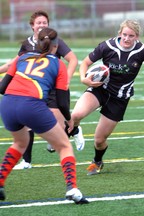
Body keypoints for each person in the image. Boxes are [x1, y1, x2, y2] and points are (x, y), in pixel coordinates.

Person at [71, 19, 144, 175]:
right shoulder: (107, 46)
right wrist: (83, 78)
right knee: (75, 114)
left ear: (137, 37)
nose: (127, 38)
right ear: (119, 33)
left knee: (99, 140)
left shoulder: (143, 51)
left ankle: (97, 161)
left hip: (119, 98)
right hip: (100, 89)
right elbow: (85, 63)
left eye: (131, 35)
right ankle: (74, 129)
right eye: (124, 35)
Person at [0, 28, 88, 204]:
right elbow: (62, 102)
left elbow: (2, 88)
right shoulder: (58, 63)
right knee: (64, 145)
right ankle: (72, 188)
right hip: (31, 105)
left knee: (20, 143)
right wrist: (69, 120)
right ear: (56, 47)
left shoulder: (21, 57)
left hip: (7, 104)